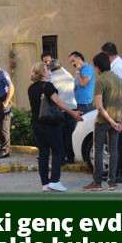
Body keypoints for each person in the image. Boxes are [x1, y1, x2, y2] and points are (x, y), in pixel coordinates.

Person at [28, 62, 83, 192]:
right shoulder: (48, 86)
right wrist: (73, 113)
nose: (49, 71)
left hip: (37, 124)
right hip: (50, 123)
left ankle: (45, 184)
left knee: (43, 153)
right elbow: (58, 101)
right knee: (58, 151)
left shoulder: (31, 88)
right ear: (43, 72)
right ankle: (55, 181)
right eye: (47, 69)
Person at [83, 52, 122, 192]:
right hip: (117, 118)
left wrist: (109, 120)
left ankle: (97, 183)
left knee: (98, 150)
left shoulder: (100, 80)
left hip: (103, 120)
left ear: (98, 67)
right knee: (114, 151)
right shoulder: (118, 79)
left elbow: (99, 105)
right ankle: (112, 182)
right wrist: (121, 120)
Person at [102, 42, 122, 183]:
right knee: (116, 141)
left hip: (119, 106)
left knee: (119, 141)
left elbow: (117, 90)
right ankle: (116, 171)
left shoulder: (118, 67)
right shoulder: (120, 65)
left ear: (107, 55)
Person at [48, 59, 78, 164]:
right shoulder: (69, 75)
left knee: (59, 135)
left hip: (59, 109)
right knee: (69, 134)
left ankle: (61, 158)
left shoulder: (51, 79)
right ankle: (71, 157)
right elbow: (75, 88)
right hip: (72, 108)